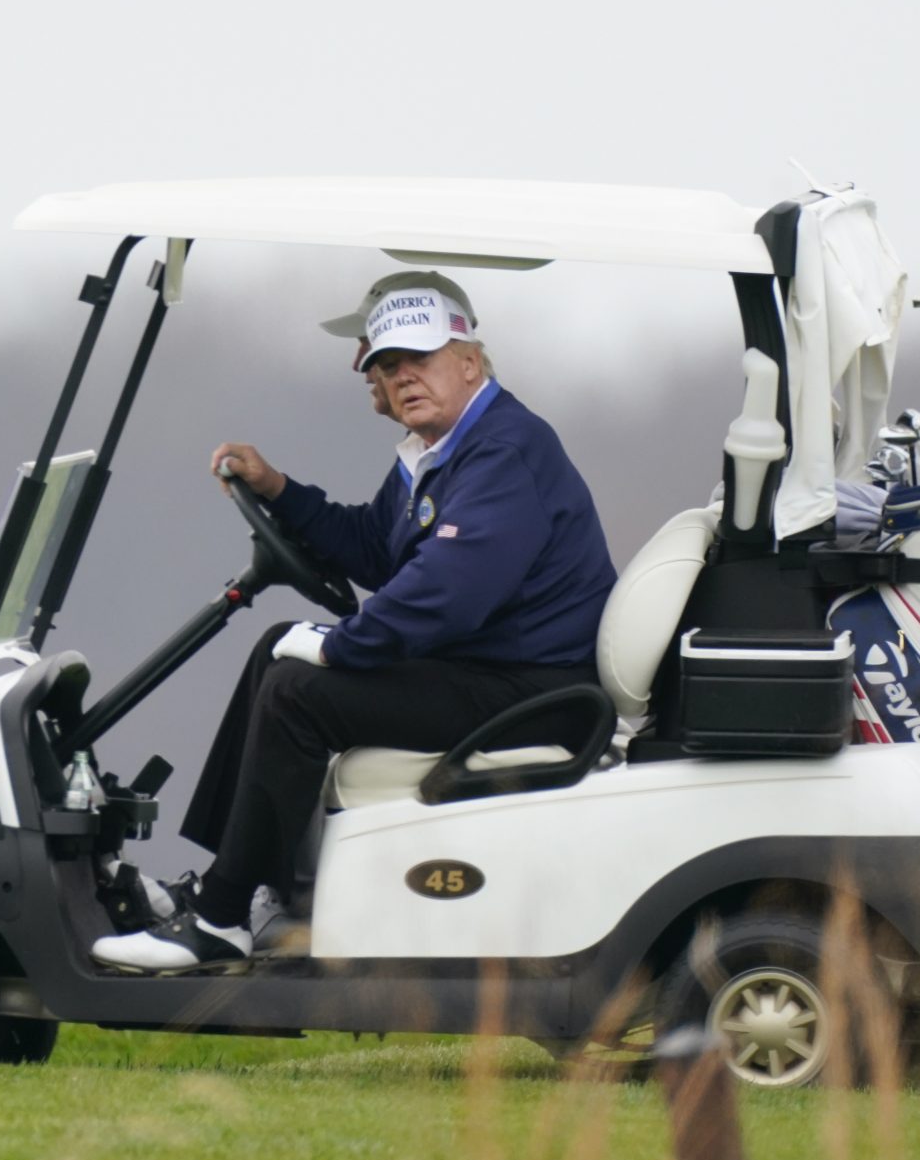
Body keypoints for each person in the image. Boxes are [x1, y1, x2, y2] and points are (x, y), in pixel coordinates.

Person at [91, 273, 618, 972]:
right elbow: (377, 546)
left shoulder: (503, 453)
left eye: (419, 362)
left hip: (536, 695)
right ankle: (243, 893)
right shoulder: (441, 451)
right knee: (273, 659)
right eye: (387, 367)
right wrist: (278, 490)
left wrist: (342, 647)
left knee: (297, 691)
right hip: (491, 674)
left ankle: (220, 918)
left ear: (470, 361)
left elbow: (445, 595)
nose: (403, 380)